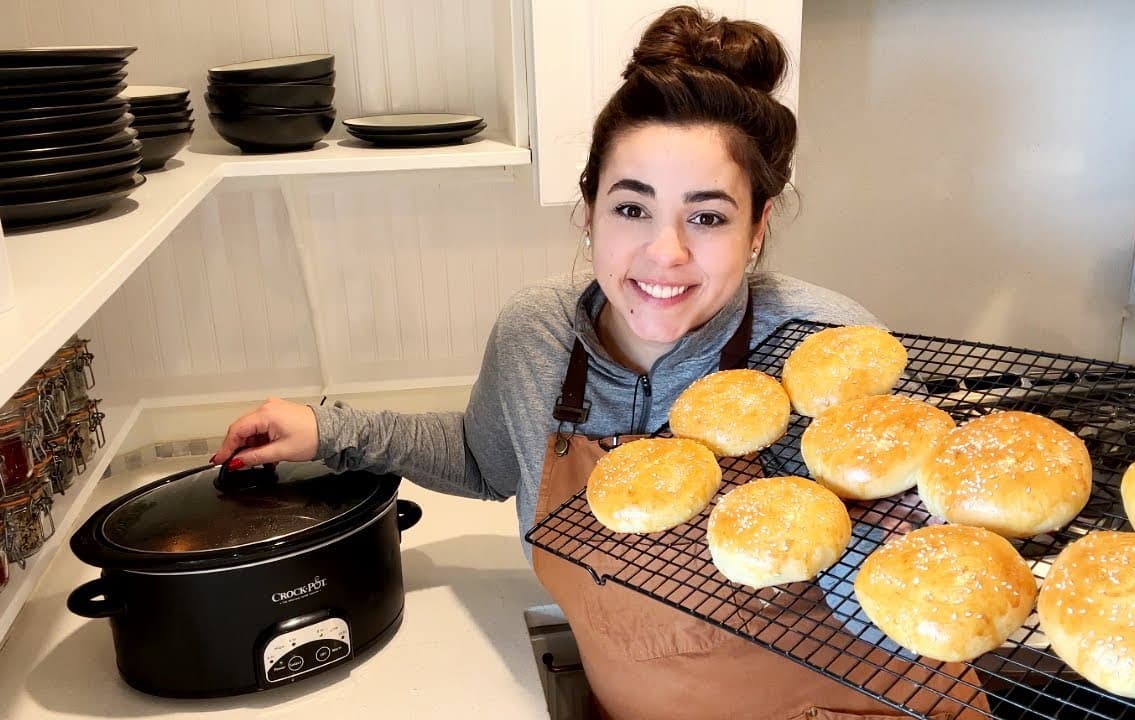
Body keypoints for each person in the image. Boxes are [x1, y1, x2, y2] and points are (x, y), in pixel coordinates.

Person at [213, 7, 983, 719]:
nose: (665, 252)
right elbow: (489, 459)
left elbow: (909, 624)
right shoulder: (537, 334)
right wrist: (329, 430)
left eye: (708, 216)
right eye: (631, 206)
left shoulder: (824, 347)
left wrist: (894, 536)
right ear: (587, 209)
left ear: (758, 228)